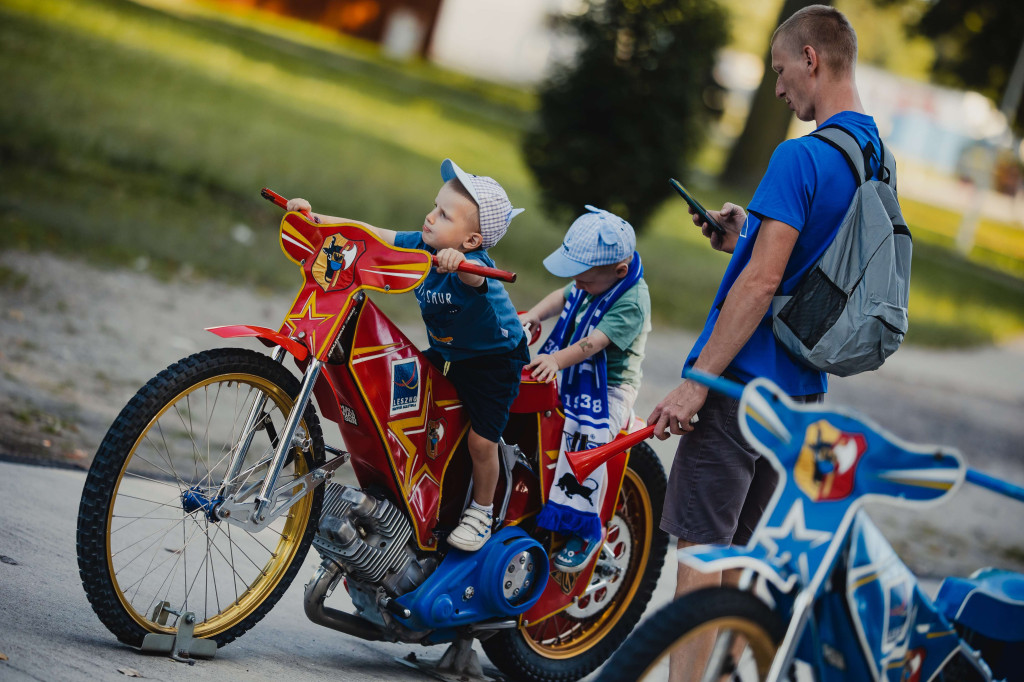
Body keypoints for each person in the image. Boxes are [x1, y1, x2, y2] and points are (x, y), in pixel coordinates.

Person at [646, 6, 881, 679]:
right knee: (742, 567)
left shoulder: (800, 155)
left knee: (700, 566)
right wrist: (746, 232)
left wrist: (697, 380)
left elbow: (760, 285)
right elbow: (815, 265)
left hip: (737, 395)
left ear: (812, 59)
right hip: (801, 399)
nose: (778, 90)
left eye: (781, 71)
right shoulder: (873, 160)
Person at [287, 159, 529, 552]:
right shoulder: (422, 244)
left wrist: (459, 265)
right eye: (434, 207)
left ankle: (481, 511)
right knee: (404, 400)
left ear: (470, 241)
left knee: (482, 443)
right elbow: (368, 235)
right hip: (450, 351)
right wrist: (316, 219)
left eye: (444, 215)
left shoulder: (474, 263)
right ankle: (415, 487)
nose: (430, 217)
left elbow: (476, 279)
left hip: (493, 362)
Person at [518, 206, 650, 573]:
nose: (578, 286)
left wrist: (557, 360)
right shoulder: (593, 277)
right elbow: (561, 297)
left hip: (610, 388)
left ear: (619, 271)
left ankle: (587, 530)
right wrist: (533, 315)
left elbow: (594, 343)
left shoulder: (631, 301)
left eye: (585, 282)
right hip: (576, 373)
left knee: (591, 440)